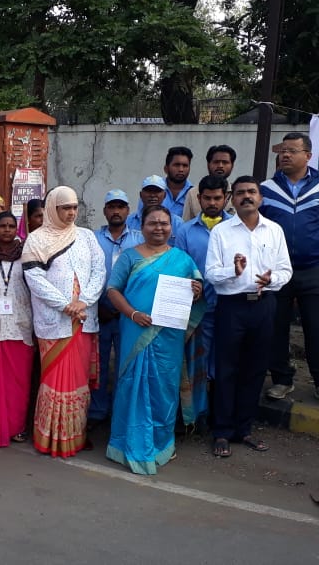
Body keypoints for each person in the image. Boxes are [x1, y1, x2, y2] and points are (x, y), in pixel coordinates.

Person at [105, 206, 204, 474]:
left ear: (172, 227)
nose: (158, 228)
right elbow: (112, 289)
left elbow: (196, 295)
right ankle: (125, 444)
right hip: (136, 329)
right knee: (131, 383)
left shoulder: (182, 259)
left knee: (163, 387)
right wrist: (133, 313)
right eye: (152, 223)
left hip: (168, 336)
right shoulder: (129, 257)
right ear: (143, 226)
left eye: (164, 223)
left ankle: (161, 445)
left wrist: (196, 290)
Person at [206, 176, 292, 458]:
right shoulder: (221, 232)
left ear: (261, 198)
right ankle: (222, 431)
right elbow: (211, 274)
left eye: (252, 192)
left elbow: (285, 270)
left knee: (255, 369)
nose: (247, 197)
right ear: (232, 198)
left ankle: (244, 429)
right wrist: (235, 271)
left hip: (264, 305)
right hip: (232, 307)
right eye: (241, 192)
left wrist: (272, 279)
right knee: (227, 369)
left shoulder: (274, 231)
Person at [261, 132, 319, 409]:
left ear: (307, 156)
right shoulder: (266, 190)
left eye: (292, 151)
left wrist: (310, 243)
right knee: (275, 328)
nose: (285, 155)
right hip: (277, 271)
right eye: (282, 150)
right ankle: (282, 379)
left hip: (314, 270)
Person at [22, 186, 106, 457]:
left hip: (84, 319)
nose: (71, 213)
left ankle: (75, 435)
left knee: (77, 378)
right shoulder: (36, 239)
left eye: (74, 208)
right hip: (54, 322)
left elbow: (99, 270)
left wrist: (84, 301)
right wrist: (65, 305)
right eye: (64, 208)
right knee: (56, 379)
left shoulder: (86, 236)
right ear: (52, 209)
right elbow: (34, 279)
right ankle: (50, 438)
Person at [173, 175, 231, 428]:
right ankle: (195, 416)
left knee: (224, 362)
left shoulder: (235, 229)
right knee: (196, 362)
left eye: (217, 198)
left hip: (228, 308)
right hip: (196, 310)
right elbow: (182, 267)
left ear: (226, 199)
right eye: (207, 198)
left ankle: (220, 417)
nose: (212, 202)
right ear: (199, 199)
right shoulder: (185, 231)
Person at [89, 189, 143, 431]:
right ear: (105, 211)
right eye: (112, 206)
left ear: (128, 211)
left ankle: (121, 414)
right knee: (97, 364)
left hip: (128, 313)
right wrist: (97, 305)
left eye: (121, 206)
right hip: (98, 311)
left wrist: (126, 309)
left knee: (125, 363)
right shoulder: (92, 238)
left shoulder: (139, 239)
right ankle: (97, 412)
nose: (116, 211)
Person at [0, 212, 35, 446]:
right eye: (2, 225)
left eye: (11, 226)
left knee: (19, 382)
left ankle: (17, 427)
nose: (7, 230)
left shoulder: (26, 253)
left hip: (22, 323)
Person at [183, 145, 236, 221]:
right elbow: (186, 223)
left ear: (232, 165)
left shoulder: (238, 193)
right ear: (208, 164)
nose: (220, 166)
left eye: (225, 162)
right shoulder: (193, 193)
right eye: (216, 162)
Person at [160, 146, 194, 218]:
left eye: (185, 166)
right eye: (176, 165)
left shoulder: (194, 193)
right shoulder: (154, 189)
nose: (181, 169)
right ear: (166, 168)